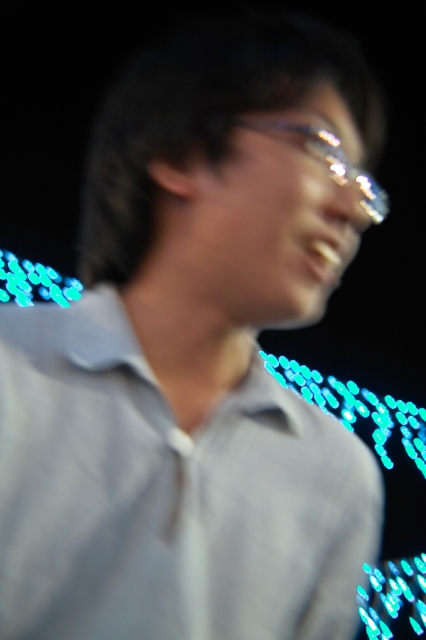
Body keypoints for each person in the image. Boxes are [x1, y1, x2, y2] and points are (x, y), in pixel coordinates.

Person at [0, 8, 387, 640]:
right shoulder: (12, 368)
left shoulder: (338, 476)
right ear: (178, 155)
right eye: (322, 150)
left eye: (366, 188)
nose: (355, 210)